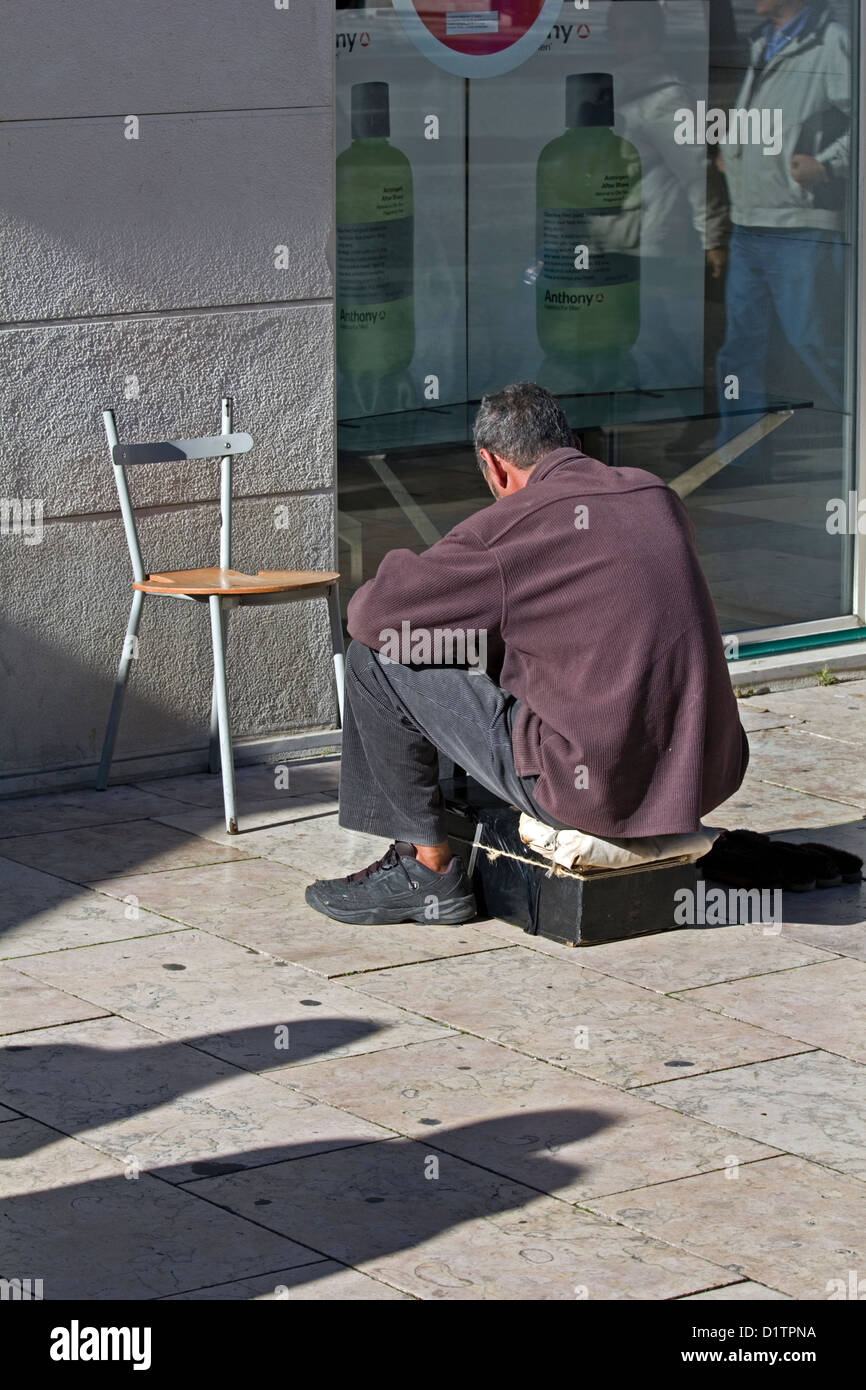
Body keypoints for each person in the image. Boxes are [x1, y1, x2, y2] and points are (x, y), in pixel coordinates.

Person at [305, 382, 748, 926]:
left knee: (376, 659)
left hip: (591, 789)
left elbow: (372, 616)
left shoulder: (512, 527)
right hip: (701, 775)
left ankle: (426, 871)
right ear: (573, 443)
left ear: (493, 465)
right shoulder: (655, 496)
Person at [715, 0, 849, 443]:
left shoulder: (831, 42)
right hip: (750, 220)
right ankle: (740, 453)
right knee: (741, 351)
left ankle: (856, 443)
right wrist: (733, 153)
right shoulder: (763, 41)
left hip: (799, 223)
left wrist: (827, 165)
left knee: (814, 344)